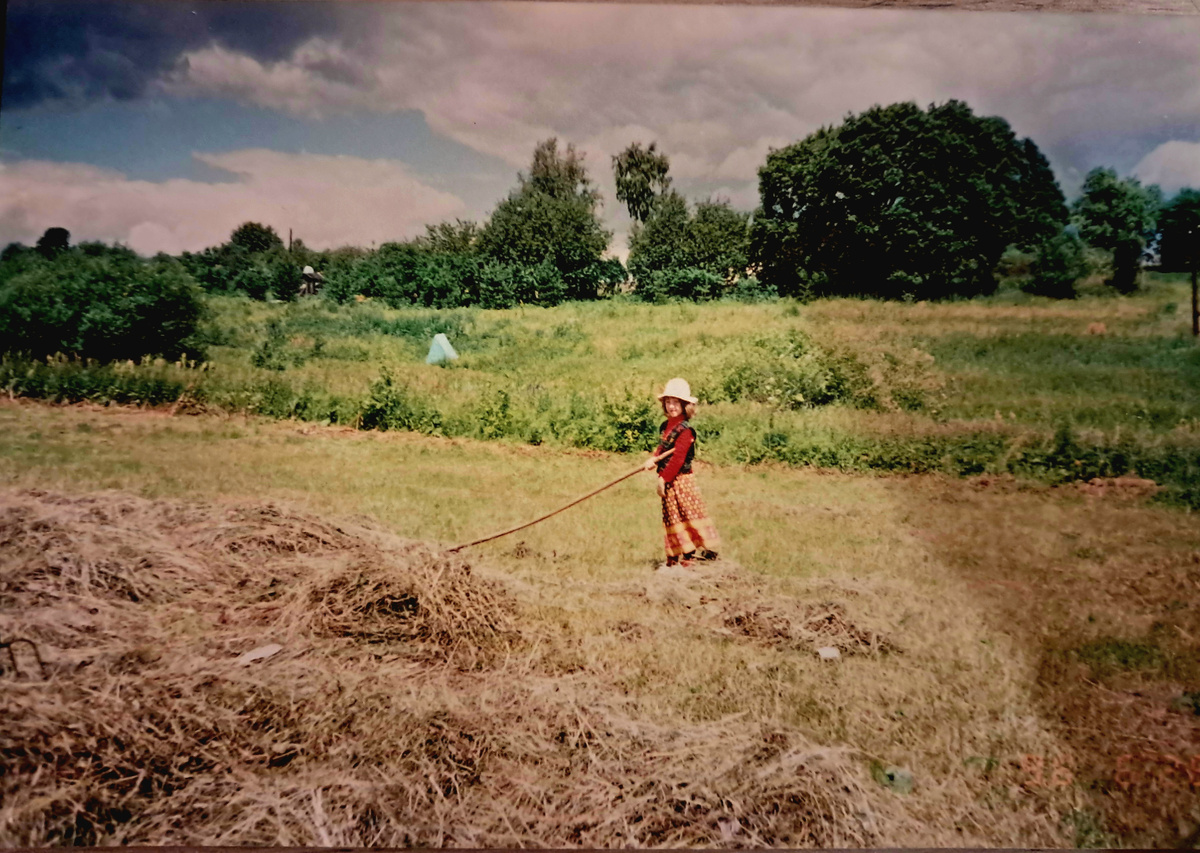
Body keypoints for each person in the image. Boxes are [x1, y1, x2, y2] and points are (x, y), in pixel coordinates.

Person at [643, 378, 720, 567]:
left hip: (682, 481)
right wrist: (653, 459)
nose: (671, 406)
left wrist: (663, 478)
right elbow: (663, 449)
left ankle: (693, 554)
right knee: (672, 517)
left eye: (676, 402)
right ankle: (674, 556)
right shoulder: (666, 426)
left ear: (685, 405)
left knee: (687, 516)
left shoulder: (686, 432)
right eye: (668, 402)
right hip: (668, 481)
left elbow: (677, 459)